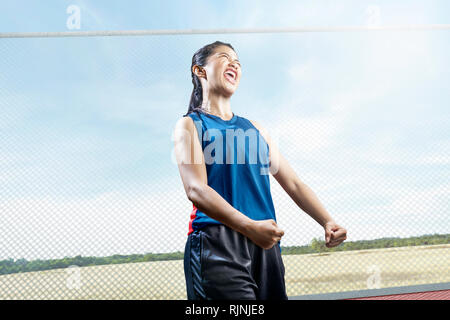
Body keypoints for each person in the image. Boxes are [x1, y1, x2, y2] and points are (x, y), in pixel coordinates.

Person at [173, 41, 347, 300]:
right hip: (217, 244)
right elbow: (196, 189)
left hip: (265, 244)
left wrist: (327, 220)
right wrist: (248, 226)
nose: (234, 64)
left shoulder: (256, 129)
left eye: (238, 62)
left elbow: (294, 184)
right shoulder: (189, 125)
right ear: (200, 71)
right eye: (224, 57)